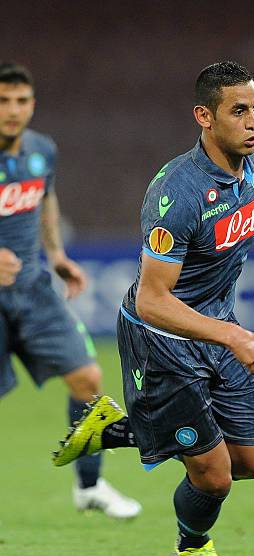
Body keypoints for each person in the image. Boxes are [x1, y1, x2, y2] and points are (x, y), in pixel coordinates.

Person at [53, 60, 254, 556]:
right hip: (160, 339)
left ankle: (114, 430)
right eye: (239, 111)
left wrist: (227, 329)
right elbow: (154, 300)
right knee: (214, 475)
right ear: (204, 116)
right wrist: (233, 334)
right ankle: (192, 551)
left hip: (218, 331)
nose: (253, 123)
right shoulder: (175, 194)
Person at [0, 62, 141, 519]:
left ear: (32, 104)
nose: (12, 110)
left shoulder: (42, 150)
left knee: (88, 380)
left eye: (21, 101)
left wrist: (56, 254)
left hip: (34, 291)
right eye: (3, 101)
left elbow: (46, 197)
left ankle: (90, 485)